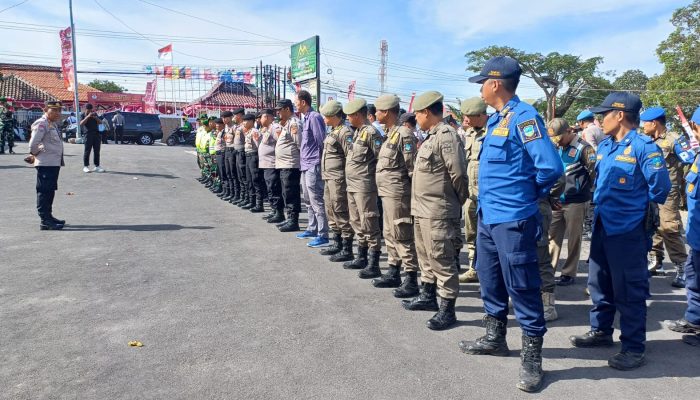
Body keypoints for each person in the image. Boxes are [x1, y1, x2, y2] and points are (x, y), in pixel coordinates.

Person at [458, 56, 563, 392]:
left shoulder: (524, 117)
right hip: (489, 217)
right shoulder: (496, 120)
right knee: (490, 280)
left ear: (495, 84)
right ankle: (495, 336)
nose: (480, 88)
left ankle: (532, 358)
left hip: (513, 219)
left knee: (522, 286)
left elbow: (550, 168)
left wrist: (524, 195)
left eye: (482, 83)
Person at [569, 92, 671, 371]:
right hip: (603, 225)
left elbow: (660, 188)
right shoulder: (606, 146)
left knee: (629, 289)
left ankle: (633, 347)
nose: (600, 120)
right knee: (598, 283)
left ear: (620, 115)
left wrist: (636, 210)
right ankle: (601, 331)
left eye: (604, 115)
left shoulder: (644, 147)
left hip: (628, 230)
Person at [401, 91, 467, 331]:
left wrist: (455, 201)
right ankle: (428, 296)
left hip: (438, 210)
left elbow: (458, 173)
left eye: (417, 113)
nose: (416, 118)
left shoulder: (446, 136)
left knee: (442, 258)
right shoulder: (430, 137)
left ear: (426, 112)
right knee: (425, 256)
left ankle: (447, 309)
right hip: (421, 209)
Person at [640, 106, 696, 286]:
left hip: (668, 192)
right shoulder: (645, 140)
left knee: (669, 228)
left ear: (654, 123)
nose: (642, 127)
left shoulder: (673, 140)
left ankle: (683, 268)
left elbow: (691, 158)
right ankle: (655, 260)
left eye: (645, 124)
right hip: (648, 190)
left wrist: (685, 179)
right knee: (652, 225)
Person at [372, 94, 420, 298]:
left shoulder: (404, 134)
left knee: (402, 234)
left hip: (399, 193)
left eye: (378, 111)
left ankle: (410, 277)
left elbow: (412, 168)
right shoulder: (389, 134)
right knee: (390, 233)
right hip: (387, 193)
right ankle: (393, 270)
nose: (375, 114)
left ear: (388, 112)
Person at [664, 106, 700, 347]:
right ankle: (695, 320)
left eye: (695, 127)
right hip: (696, 236)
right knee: (693, 276)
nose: (694, 132)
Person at [341, 98, 384, 274]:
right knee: (356, 221)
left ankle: (374, 264)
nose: (348, 119)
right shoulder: (358, 132)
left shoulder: (371, 133)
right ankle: (362, 257)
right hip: (353, 185)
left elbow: (381, 158)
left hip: (365, 186)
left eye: (350, 115)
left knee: (369, 221)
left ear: (358, 115)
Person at [456, 97, 488, 284]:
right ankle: (473, 268)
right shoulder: (469, 134)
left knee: (487, 235)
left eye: (468, 116)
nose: (465, 120)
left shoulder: (492, 131)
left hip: (486, 194)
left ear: (479, 115)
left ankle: (487, 271)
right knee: (471, 233)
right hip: (470, 193)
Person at [319, 100, 355, 262]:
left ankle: (347, 248)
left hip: (338, 179)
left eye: (326, 116)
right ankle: (337, 243)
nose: (324, 119)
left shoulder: (345, 132)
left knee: (340, 210)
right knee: (331, 210)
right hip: (328, 178)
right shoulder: (333, 130)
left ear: (334, 116)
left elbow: (350, 157)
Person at [295, 90, 329, 247]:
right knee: (308, 199)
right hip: (305, 164)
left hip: (313, 164)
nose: (295, 104)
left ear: (303, 102)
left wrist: (321, 165)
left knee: (316, 199)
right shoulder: (305, 118)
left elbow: (322, 141)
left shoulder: (314, 117)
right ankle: (312, 228)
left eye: (296, 101)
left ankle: (323, 235)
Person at [27, 101, 66, 230]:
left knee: (50, 191)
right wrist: (36, 154)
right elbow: (33, 144)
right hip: (46, 164)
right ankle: (45, 220)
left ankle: (49, 216)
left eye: (59, 110)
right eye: (54, 110)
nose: (57, 113)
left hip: (53, 163)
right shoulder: (41, 123)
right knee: (44, 192)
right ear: (45, 109)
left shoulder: (52, 124)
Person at [275, 99, 303, 232]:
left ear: (287, 109)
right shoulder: (288, 123)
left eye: (280, 109)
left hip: (291, 164)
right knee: (286, 192)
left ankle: (293, 221)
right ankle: (289, 218)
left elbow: (300, 144)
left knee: (291, 193)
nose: (278, 112)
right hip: (284, 164)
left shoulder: (294, 124)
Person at [258, 109, 285, 222]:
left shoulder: (275, 128)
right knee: (270, 188)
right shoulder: (268, 129)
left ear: (269, 117)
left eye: (263, 117)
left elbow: (280, 143)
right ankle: (274, 210)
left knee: (274, 188)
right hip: (266, 164)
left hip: (272, 164)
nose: (260, 119)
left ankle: (279, 213)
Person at [80, 104, 104, 173]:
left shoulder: (94, 114)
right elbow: (81, 124)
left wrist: (95, 117)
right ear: (85, 109)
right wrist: (87, 116)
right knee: (87, 151)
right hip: (88, 134)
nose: (90, 111)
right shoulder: (82, 115)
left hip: (96, 134)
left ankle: (97, 166)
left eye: (91, 109)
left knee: (97, 151)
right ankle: (86, 166)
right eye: (88, 109)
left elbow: (100, 122)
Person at [213, 118, 228, 200]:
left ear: (223, 125)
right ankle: (223, 189)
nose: (217, 125)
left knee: (223, 173)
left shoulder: (224, 133)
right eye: (216, 124)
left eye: (219, 124)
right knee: (220, 172)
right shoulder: (219, 132)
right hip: (218, 153)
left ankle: (226, 191)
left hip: (222, 154)